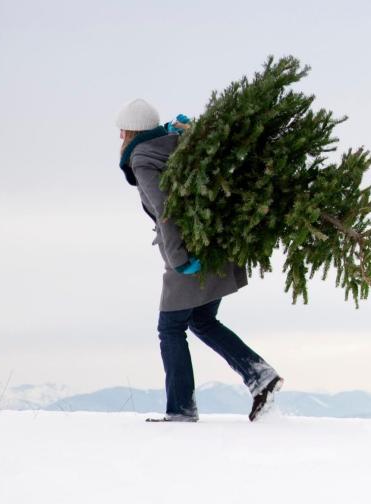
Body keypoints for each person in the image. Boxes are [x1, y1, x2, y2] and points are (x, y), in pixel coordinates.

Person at [116, 97, 283, 423]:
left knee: (170, 328)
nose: (120, 139)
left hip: (190, 250)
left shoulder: (141, 157)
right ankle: (259, 375)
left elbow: (167, 210)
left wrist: (178, 259)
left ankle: (181, 409)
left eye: (122, 133)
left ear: (130, 132)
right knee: (202, 320)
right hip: (217, 243)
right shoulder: (174, 143)